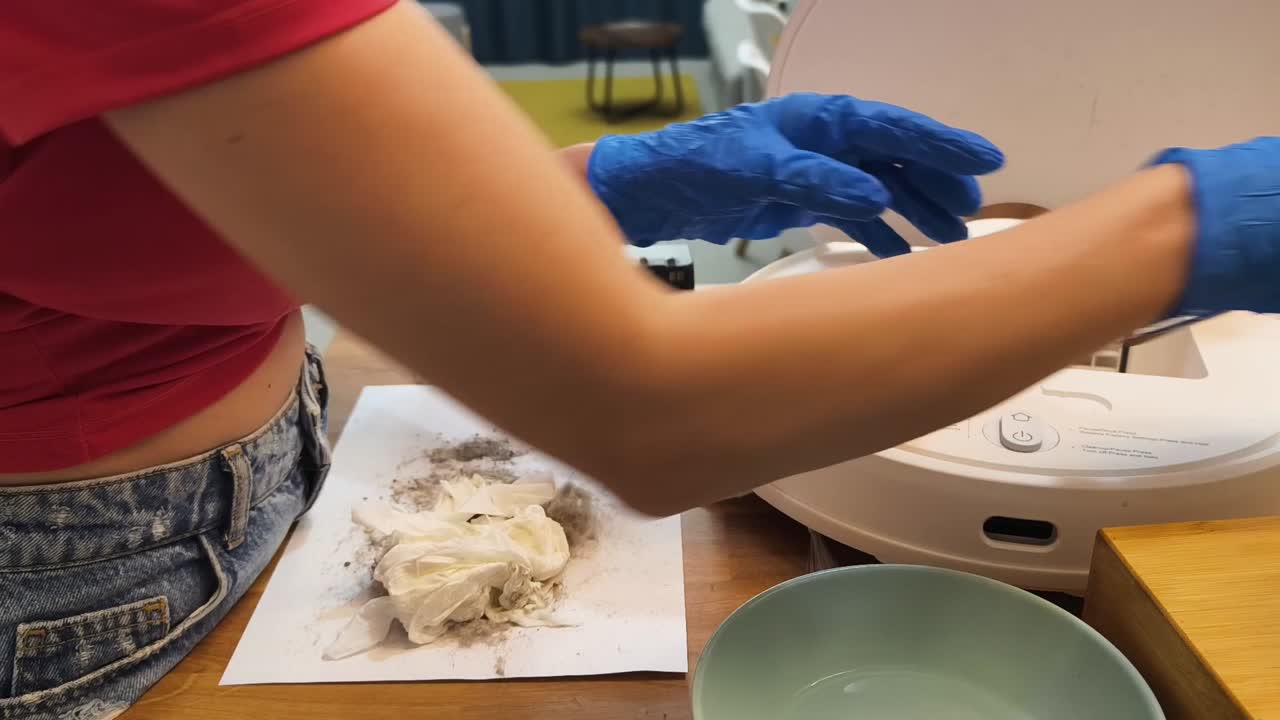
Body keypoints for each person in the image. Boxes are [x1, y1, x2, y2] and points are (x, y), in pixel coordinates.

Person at [2, 1, 1279, 717]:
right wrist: (1182, 229)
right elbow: (650, 414)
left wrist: (580, 190)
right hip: (86, 579)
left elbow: (151, 188)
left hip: (245, 461)